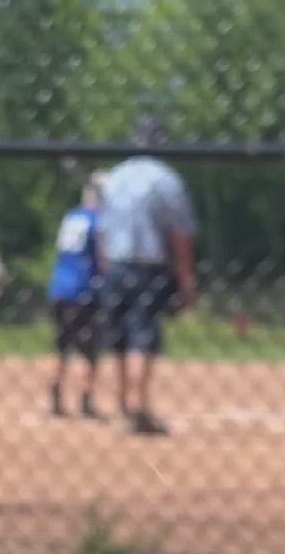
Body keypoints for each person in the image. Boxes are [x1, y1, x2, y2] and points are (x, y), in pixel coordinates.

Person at [97, 121, 198, 436]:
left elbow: (103, 229)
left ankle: (124, 406)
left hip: (115, 265)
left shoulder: (114, 177)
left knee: (120, 336)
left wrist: (105, 266)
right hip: (148, 267)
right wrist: (186, 279)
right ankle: (139, 408)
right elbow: (180, 234)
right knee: (143, 334)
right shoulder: (165, 179)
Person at [46, 175, 106, 418]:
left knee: (61, 346)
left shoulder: (71, 217)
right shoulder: (99, 220)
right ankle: (85, 400)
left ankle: (56, 397)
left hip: (60, 287)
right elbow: (103, 258)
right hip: (84, 290)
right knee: (90, 349)